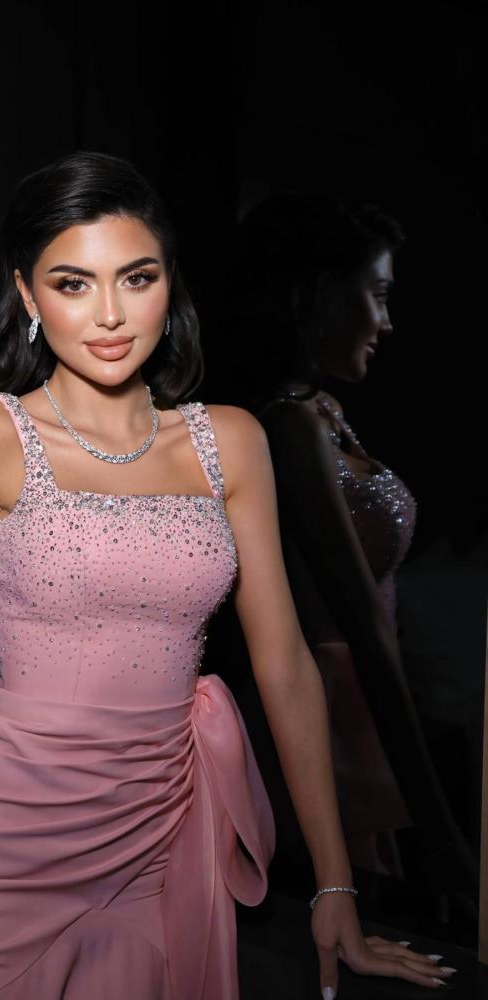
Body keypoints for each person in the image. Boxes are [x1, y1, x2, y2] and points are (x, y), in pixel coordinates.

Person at [0, 153, 452, 1000]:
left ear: (170, 284)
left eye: (136, 278)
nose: (109, 313)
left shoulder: (232, 440)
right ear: (27, 295)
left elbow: (285, 664)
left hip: (160, 837)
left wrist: (335, 888)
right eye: (72, 283)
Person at [228, 193, 478, 891]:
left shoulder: (321, 412)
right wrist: (444, 834)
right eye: (378, 295)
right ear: (318, 295)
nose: (387, 322)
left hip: (355, 719)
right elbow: (365, 631)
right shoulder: (287, 429)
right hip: (326, 722)